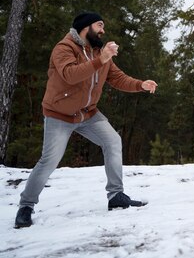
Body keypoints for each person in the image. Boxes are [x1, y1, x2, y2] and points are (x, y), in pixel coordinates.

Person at [14, 12, 159, 229]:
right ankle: (26, 206)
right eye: (99, 25)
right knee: (49, 160)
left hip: (88, 113)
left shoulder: (99, 51)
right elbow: (71, 75)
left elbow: (116, 77)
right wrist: (101, 59)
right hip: (59, 114)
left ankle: (116, 196)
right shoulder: (64, 48)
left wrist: (140, 84)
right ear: (85, 27)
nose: (103, 31)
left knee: (112, 141)